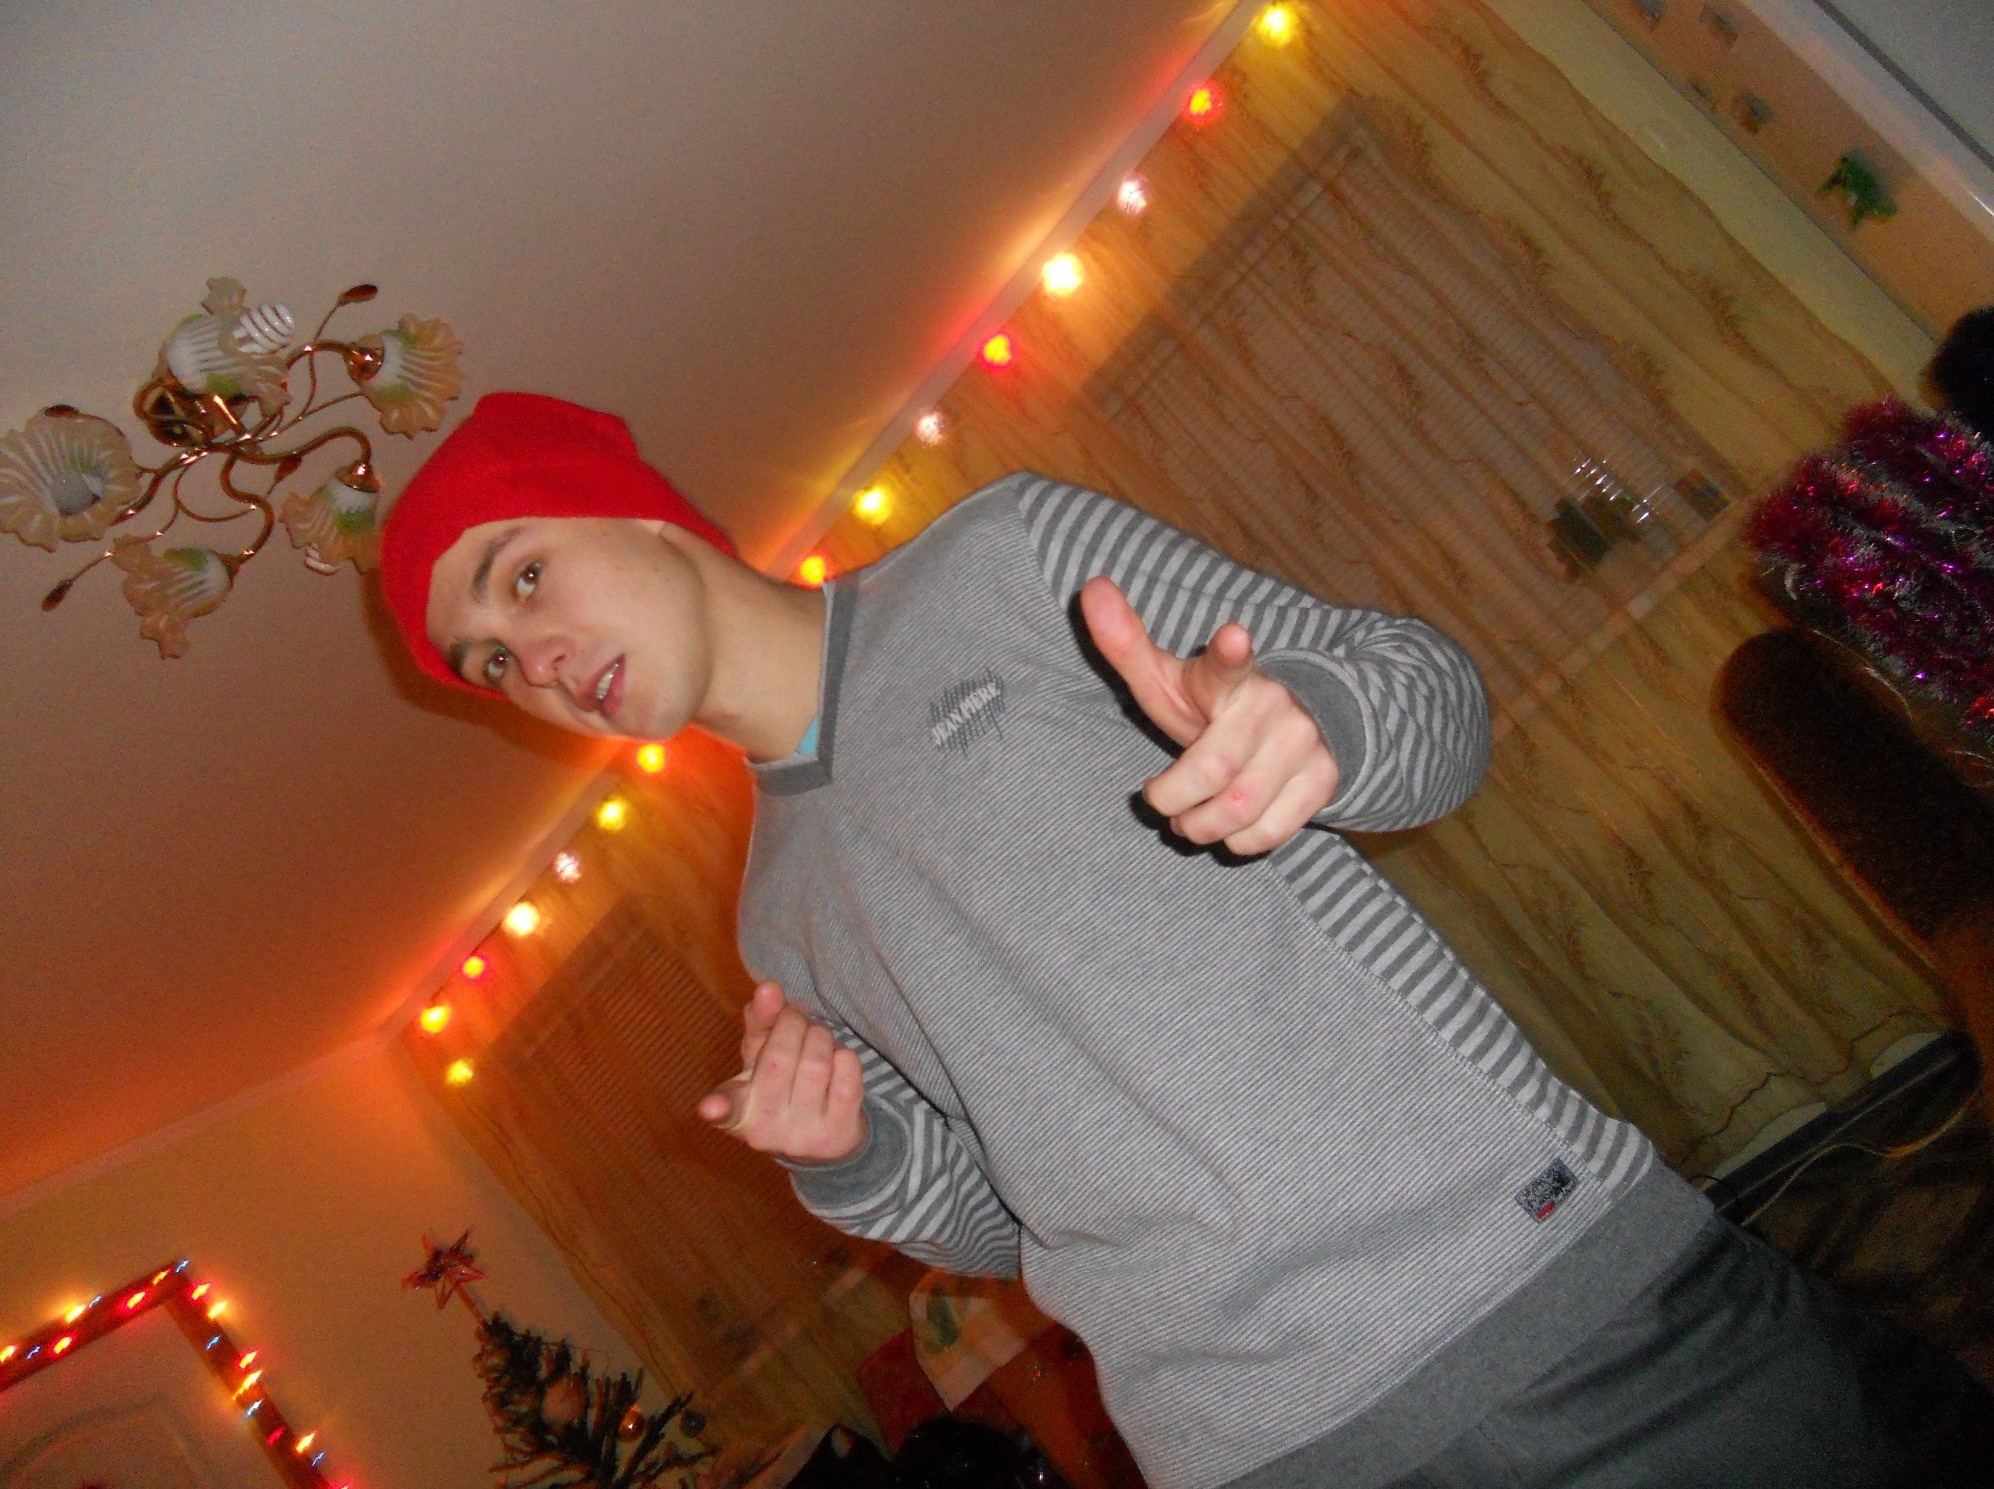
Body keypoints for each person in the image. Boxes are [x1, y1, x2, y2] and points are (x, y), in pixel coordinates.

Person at [380, 392, 1989, 1489]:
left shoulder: (1005, 557)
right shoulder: (772, 921)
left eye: (523, 577)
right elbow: (1012, 1223)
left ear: (636, 513)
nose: (531, 655)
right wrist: (853, 1161)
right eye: (487, 658)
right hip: (1253, 1454)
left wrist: (1315, 722)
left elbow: (1427, 702)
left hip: (1556, 1312)